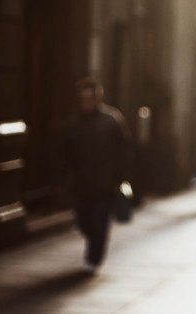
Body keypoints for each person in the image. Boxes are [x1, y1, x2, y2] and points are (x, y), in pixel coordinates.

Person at [62, 77, 131, 270]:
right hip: (81, 183)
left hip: (104, 183)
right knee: (84, 221)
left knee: (100, 222)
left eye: (89, 98)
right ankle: (93, 249)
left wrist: (122, 177)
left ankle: (94, 256)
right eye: (83, 99)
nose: (86, 103)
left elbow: (124, 150)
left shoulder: (111, 120)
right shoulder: (73, 124)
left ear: (97, 99)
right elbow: (66, 153)